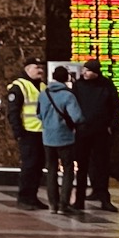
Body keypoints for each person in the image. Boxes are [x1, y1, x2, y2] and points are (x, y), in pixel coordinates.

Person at [72, 59, 119, 212]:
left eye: (89, 71)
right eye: (84, 70)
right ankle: (79, 200)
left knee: (102, 166)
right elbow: (72, 106)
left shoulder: (106, 85)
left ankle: (104, 199)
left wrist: (111, 126)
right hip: (82, 132)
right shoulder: (78, 85)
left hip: (101, 132)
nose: (85, 73)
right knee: (82, 167)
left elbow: (117, 106)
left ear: (96, 72)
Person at [36, 65, 83, 215]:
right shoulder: (68, 95)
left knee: (51, 170)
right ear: (66, 78)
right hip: (65, 138)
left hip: (48, 138)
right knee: (68, 170)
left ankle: (52, 205)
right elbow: (76, 116)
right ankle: (64, 205)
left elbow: (38, 115)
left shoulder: (44, 94)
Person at [5, 59, 47, 210]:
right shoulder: (19, 86)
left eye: (41, 67)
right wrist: (18, 132)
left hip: (42, 133)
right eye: (37, 67)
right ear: (28, 68)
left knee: (38, 167)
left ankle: (33, 197)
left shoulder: (42, 86)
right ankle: (24, 198)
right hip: (28, 133)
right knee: (29, 166)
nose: (40, 70)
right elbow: (13, 112)